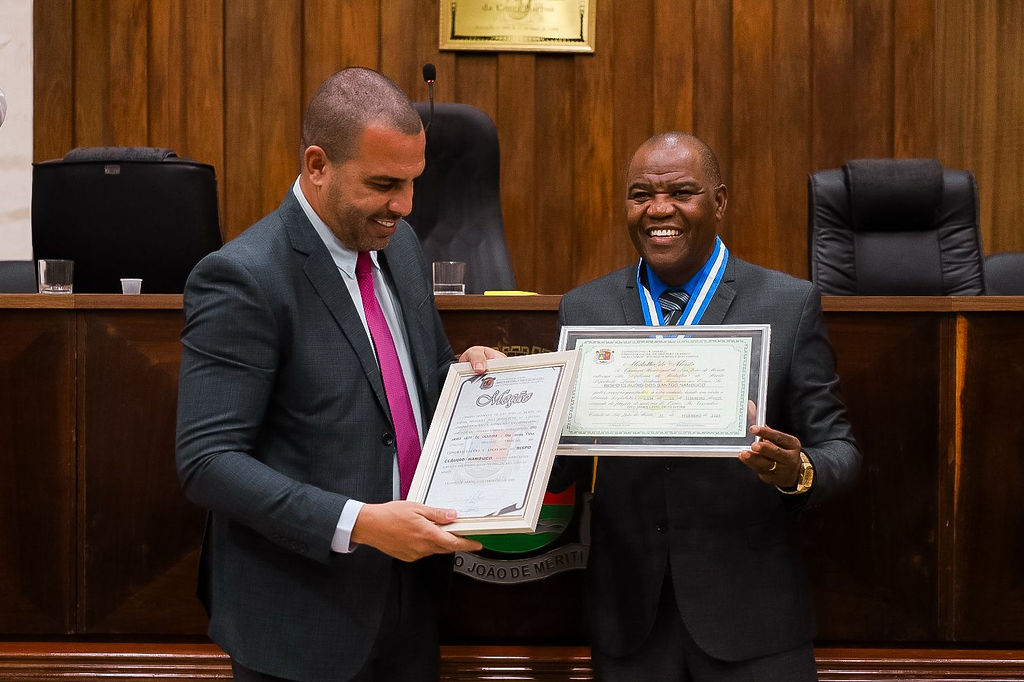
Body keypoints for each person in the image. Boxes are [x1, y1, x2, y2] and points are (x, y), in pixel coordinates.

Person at [175, 67, 503, 682]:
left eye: (412, 183)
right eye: (384, 184)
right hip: (301, 618)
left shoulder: (398, 246)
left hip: (409, 600)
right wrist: (359, 523)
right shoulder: (244, 276)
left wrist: (468, 375)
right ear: (318, 165)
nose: (405, 207)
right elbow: (208, 461)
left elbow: (414, 378)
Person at [553, 132, 861, 681]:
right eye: (641, 194)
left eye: (681, 192)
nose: (658, 210)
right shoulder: (586, 309)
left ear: (718, 202)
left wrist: (797, 470)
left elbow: (840, 448)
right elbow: (567, 457)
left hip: (754, 621)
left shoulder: (788, 305)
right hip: (629, 622)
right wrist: (505, 402)